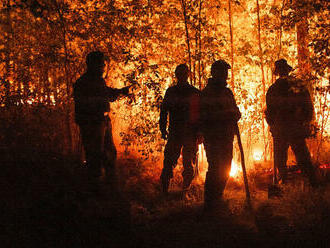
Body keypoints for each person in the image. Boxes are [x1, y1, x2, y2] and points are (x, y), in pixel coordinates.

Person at [74, 51, 131, 187]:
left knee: (109, 153)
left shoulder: (98, 80)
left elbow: (107, 94)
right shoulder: (83, 83)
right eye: (101, 64)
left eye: (103, 64)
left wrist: (121, 91)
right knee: (95, 156)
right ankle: (95, 188)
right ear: (92, 64)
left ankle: (110, 185)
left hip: (103, 121)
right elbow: (86, 104)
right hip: (93, 123)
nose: (103, 67)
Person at [265, 58, 317, 186]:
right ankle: (311, 183)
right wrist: (306, 121)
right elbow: (308, 105)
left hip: (282, 128)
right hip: (294, 128)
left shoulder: (273, 88)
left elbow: (269, 111)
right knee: (301, 156)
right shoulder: (298, 85)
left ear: (277, 72)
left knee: (281, 158)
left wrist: (272, 125)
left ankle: (284, 183)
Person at [200, 60, 241, 210]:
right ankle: (210, 203)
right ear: (215, 73)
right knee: (215, 168)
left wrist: (235, 114)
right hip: (213, 138)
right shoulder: (207, 93)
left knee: (225, 168)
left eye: (226, 72)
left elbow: (235, 110)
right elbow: (205, 116)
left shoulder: (227, 92)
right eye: (223, 71)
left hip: (227, 137)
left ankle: (218, 198)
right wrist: (226, 114)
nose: (225, 75)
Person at [159, 64, 201, 194]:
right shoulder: (192, 92)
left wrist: (163, 128)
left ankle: (181, 191)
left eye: (182, 73)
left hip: (184, 133)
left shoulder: (177, 92)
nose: (181, 75)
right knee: (176, 162)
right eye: (180, 73)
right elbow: (164, 111)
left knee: (182, 163)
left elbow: (199, 113)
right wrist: (162, 127)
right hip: (181, 133)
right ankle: (177, 191)